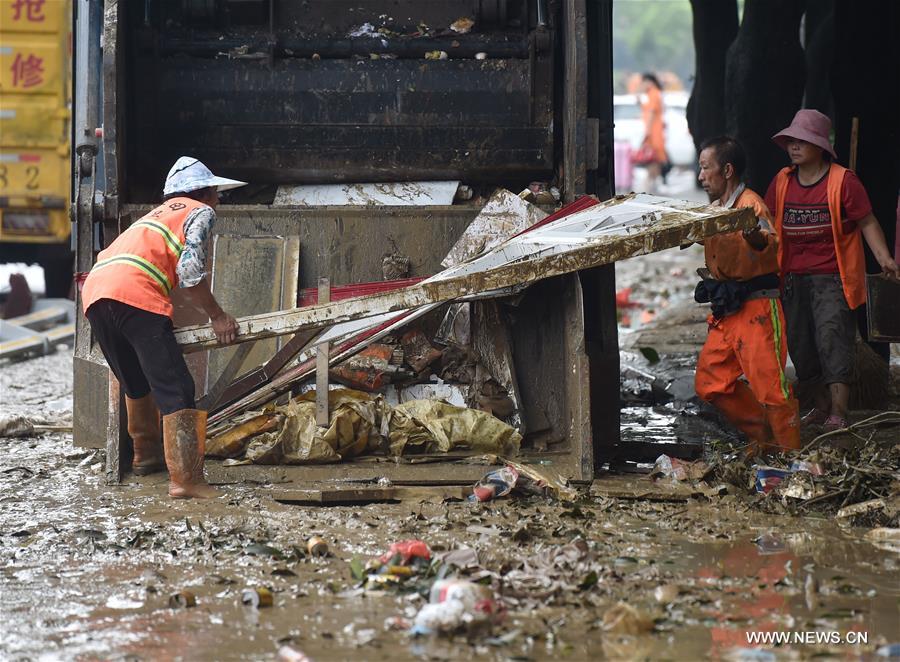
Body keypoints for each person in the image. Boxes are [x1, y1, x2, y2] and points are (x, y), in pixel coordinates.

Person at [81, 157, 245, 498]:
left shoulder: (150, 218)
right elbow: (189, 273)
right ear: (206, 192)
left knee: (135, 381)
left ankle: (146, 456)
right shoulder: (199, 211)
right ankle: (186, 482)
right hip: (135, 294)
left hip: (96, 294)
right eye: (216, 194)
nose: (217, 201)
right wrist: (217, 316)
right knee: (176, 387)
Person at [765, 110, 900, 432]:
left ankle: (840, 411)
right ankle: (819, 405)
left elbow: (867, 221)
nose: (794, 147)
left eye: (803, 141)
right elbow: (766, 221)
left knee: (832, 340)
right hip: (791, 278)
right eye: (792, 142)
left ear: (820, 147)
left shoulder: (843, 181)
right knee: (800, 345)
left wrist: (886, 259)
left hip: (832, 278)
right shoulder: (782, 181)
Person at [693, 137, 800, 454]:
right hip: (728, 309)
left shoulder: (751, 205)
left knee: (773, 391)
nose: (700, 176)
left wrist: (753, 236)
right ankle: (764, 437)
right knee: (710, 382)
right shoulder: (715, 210)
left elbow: (767, 241)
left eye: (705, 168)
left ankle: (791, 459)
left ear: (726, 170)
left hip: (757, 309)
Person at [638, 73, 668, 193]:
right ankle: (654, 181)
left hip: (654, 132)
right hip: (655, 131)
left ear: (649, 82)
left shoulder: (654, 93)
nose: (642, 85)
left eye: (643, 82)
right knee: (654, 158)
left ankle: (653, 181)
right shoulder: (652, 94)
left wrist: (647, 132)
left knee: (653, 158)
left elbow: (651, 113)